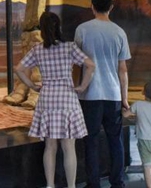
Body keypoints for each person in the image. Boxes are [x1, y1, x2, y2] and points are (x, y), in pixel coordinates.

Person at [15, 11, 95, 188]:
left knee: (50, 147)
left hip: (47, 100)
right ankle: (71, 186)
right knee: (69, 148)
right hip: (67, 100)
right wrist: (82, 86)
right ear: (59, 27)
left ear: (42, 30)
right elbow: (90, 65)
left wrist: (32, 85)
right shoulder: (69, 48)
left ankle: (50, 185)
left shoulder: (37, 50)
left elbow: (19, 69)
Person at [74, 0, 131, 188]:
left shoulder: (82, 29)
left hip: (90, 94)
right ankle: (118, 182)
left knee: (91, 140)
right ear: (111, 7)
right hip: (113, 94)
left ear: (92, 6)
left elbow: (77, 61)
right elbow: (122, 69)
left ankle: (93, 183)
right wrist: (124, 98)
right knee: (115, 140)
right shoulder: (119, 32)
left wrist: (77, 87)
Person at [125, 80, 151, 188]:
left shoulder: (138, 105)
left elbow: (126, 115)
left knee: (147, 166)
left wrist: (123, 109)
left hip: (144, 140)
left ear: (143, 92)